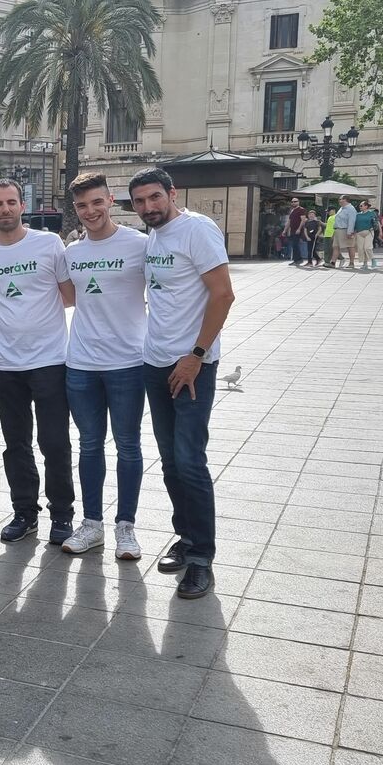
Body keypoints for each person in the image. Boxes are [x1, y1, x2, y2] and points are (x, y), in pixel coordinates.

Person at [129, 168, 234, 600]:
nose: (149, 207)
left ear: (173, 194)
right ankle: (186, 537)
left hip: (190, 363)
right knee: (171, 459)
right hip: (155, 362)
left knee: (190, 460)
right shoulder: (154, 236)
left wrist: (196, 356)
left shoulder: (197, 230)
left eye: (155, 198)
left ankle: (201, 558)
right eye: (140, 201)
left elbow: (223, 294)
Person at [0, 179, 75, 545]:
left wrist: (34, 319)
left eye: (11, 202)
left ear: (22, 205)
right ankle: (24, 512)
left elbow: (67, 296)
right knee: (16, 443)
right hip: (7, 364)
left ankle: (62, 515)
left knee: (55, 442)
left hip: (49, 360)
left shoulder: (48, 243)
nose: (5, 209)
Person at [61, 173, 147, 560]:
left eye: (96, 202)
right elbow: (66, 299)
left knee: (128, 446)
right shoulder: (72, 253)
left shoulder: (140, 245)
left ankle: (125, 527)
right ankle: (92, 524)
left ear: (110, 200)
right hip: (80, 363)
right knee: (89, 445)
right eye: (82, 205)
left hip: (128, 361)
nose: (90, 211)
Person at [352, 199, 379, 271]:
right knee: (361, 249)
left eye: (361, 205)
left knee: (367, 247)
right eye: (359, 206)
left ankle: (373, 260)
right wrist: (353, 232)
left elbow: (375, 223)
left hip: (368, 232)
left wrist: (374, 229)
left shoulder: (371, 213)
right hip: (359, 233)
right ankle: (365, 264)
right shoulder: (357, 215)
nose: (360, 207)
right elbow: (355, 224)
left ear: (366, 206)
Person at [333, 196, 358, 270]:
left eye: (340, 199)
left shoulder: (351, 209)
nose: (339, 201)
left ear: (345, 200)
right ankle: (333, 262)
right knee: (335, 246)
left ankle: (351, 262)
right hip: (338, 230)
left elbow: (352, 221)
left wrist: (350, 232)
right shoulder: (341, 208)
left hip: (346, 229)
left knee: (350, 246)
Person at [286, 197, 306, 266]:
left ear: (298, 202)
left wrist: (299, 229)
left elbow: (303, 220)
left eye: (295, 201)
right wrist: (285, 230)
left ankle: (299, 259)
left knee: (295, 244)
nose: (293, 203)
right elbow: (289, 221)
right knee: (294, 245)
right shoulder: (292, 210)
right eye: (292, 202)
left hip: (297, 230)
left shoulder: (301, 209)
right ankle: (296, 260)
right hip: (292, 230)